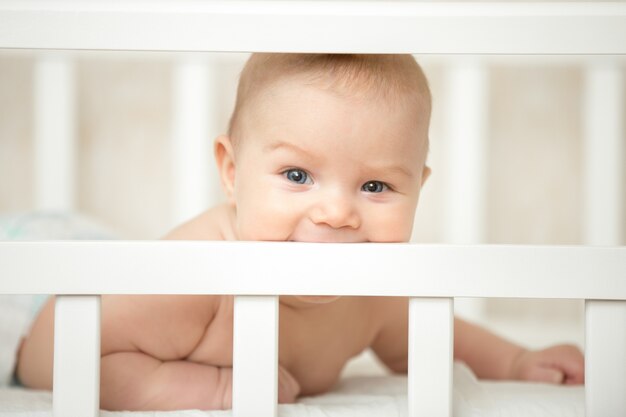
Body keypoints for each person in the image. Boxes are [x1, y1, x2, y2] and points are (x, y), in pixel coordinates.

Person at [16, 53, 584, 411]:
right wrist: (207, 390)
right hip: (44, 279)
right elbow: (46, 358)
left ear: (419, 186)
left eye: (376, 187)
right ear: (233, 174)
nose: (336, 213)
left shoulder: (369, 295)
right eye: (297, 176)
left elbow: (429, 334)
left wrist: (515, 363)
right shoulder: (193, 276)